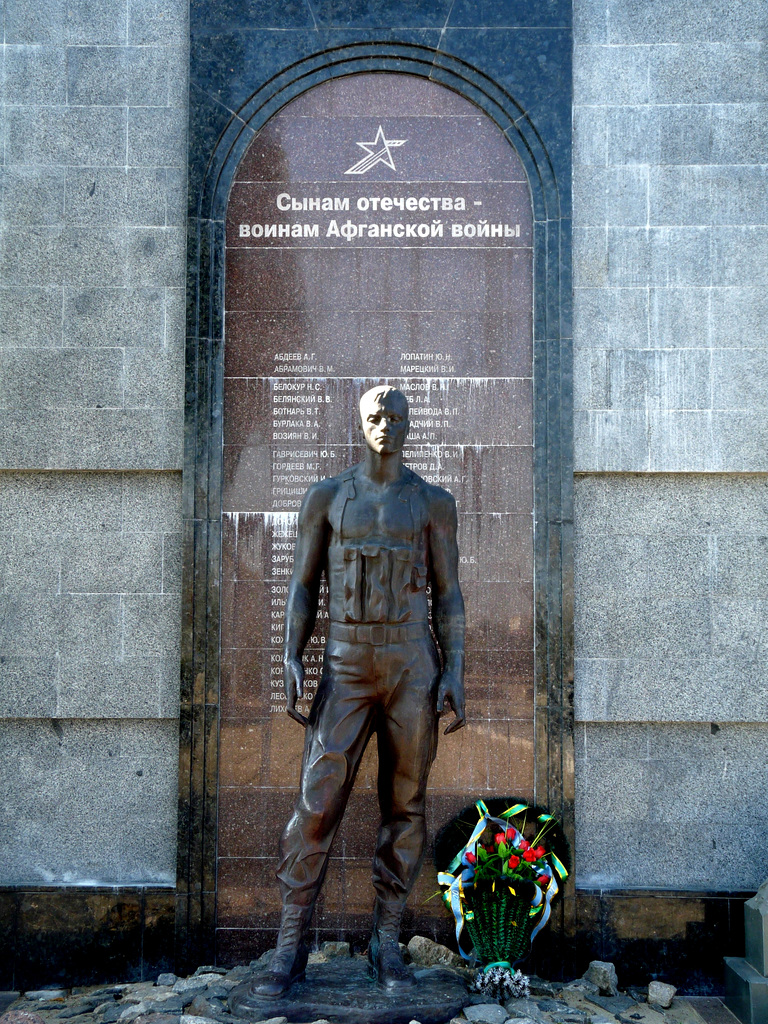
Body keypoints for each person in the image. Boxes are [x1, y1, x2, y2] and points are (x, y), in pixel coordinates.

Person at [253, 384, 465, 997]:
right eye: (376, 416)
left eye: (397, 418)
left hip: (410, 664)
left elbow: (449, 593)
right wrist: (291, 654)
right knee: (316, 804)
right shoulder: (325, 497)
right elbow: (303, 584)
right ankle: (289, 947)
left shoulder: (432, 503)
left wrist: (454, 670)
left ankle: (386, 944)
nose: (386, 427)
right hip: (345, 662)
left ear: (409, 426)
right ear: (361, 422)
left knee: (406, 804)